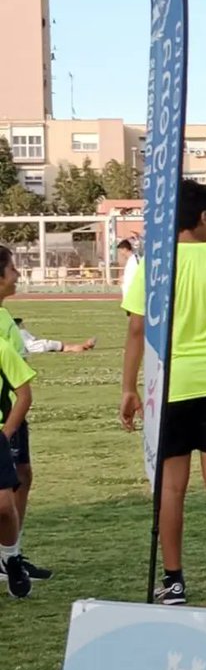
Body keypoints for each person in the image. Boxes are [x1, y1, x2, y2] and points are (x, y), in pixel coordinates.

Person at [120, 179, 206, 607]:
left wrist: (128, 386)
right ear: (201, 217)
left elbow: (136, 330)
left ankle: (174, 580)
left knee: (171, 488)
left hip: (168, 387)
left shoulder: (154, 265)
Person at [0, 246, 52, 584]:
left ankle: (11, 553)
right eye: (12, 268)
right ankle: (9, 556)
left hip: (12, 415)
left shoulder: (5, 316)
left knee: (23, 475)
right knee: (14, 481)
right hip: (7, 417)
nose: (17, 274)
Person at [0, 319, 36, 598]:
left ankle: (9, 557)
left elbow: (24, 395)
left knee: (3, 506)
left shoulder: (2, 348)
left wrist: (5, 434)